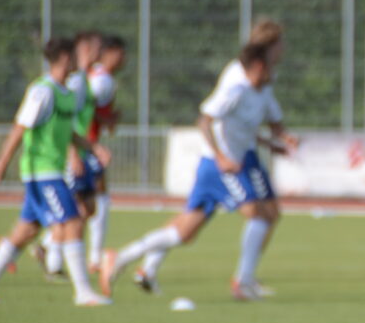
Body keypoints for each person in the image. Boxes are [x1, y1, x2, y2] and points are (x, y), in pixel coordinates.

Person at [101, 41, 296, 301]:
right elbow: (204, 120)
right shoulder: (236, 89)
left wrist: (271, 144)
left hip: (220, 166)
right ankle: (243, 282)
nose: (276, 68)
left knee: (184, 233)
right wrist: (221, 157)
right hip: (219, 167)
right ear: (260, 66)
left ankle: (120, 257)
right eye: (272, 63)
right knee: (258, 214)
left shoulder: (260, 91)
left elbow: (242, 129)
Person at [0, 37, 112, 306]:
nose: (76, 60)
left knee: (25, 231)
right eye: (73, 55)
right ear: (63, 58)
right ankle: (83, 292)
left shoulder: (66, 93)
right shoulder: (43, 90)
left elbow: (68, 132)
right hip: (41, 173)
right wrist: (2, 161)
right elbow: (20, 127)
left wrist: (93, 147)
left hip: (52, 171)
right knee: (72, 222)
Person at [37, 30, 103, 277]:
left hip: (81, 151)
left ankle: (47, 246)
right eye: (96, 47)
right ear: (83, 49)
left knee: (86, 208)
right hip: (67, 155)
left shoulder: (83, 79)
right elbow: (66, 121)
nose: (100, 52)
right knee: (71, 213)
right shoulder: (73, 82)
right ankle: (53, 258)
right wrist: (73, 153)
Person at [85, 35, 127, 271]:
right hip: (87, 145)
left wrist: (107, 120)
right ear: (109, 53)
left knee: (82, 201)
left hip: (87, 144)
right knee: (98, 199)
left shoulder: (101, 78)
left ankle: (50, 248)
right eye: (121, 53)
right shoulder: (101, 81)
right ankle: (94, 258)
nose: (124, 59)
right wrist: (107, 119)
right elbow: (85, 110)